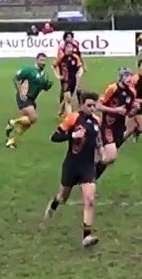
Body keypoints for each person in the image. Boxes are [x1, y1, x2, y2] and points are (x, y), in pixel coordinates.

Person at [42, 92, 102, 248]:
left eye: (94, 106)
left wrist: (100, 151)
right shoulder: (73, 118)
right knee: (63, 197)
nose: (92, 108)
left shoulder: (97, 121)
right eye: (89, 105)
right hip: (71, 165)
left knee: (89, 200)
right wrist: (72, 135)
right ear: (82, 104)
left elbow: (97, 139)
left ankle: (86, 236)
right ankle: (54, 204)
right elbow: (54, 137)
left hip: (87, 166)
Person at [95, 69, 139, 179]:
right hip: (108, 126)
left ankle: (92, 177)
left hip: (119, 128)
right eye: (126, 76)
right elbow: (98, 106)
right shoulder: (112, 88)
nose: (130, 79)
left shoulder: (132, 92)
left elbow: (128, 114)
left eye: (131, 76)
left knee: (107, 158)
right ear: (120, 78)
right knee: (111, 156)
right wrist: (116, 110)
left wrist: (135, 110)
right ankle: (90, 175)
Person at [5, 53, 53, 149]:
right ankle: (13, 122)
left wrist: (48, 85)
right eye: (41, 60)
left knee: (25, 125)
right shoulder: (29, 70)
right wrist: (20, 92)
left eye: (44, 61)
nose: (43, 63)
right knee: (33, 118)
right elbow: (16, 78)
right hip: (24, 97)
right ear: (37, 60)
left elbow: (44, 86)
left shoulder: (44, 75)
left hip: (32, 99)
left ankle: (12, 141)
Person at [54, 34, 85, 116]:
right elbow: (54, 66)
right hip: (65, 80)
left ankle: (60, 110)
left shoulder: (75, 57)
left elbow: (80, 67)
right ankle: (70, 117)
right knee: (68, 100)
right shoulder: (61, 57)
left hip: (73, 80)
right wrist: (57, 75)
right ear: (65, 48)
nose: (70, 49)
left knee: (68, 97)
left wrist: (80, 72)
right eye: (68, 47)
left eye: (71, 47)